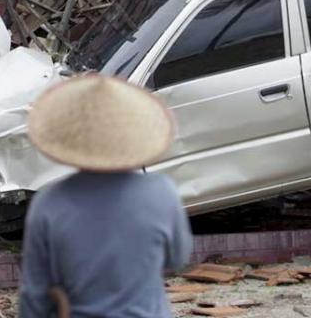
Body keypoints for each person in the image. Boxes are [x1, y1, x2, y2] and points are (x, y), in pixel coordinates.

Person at [19, 75, 193, 318]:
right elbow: (177, 257)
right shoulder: (161, 192)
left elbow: (35, 295)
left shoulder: (49, 203)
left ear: (71, 140)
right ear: (133, 136)